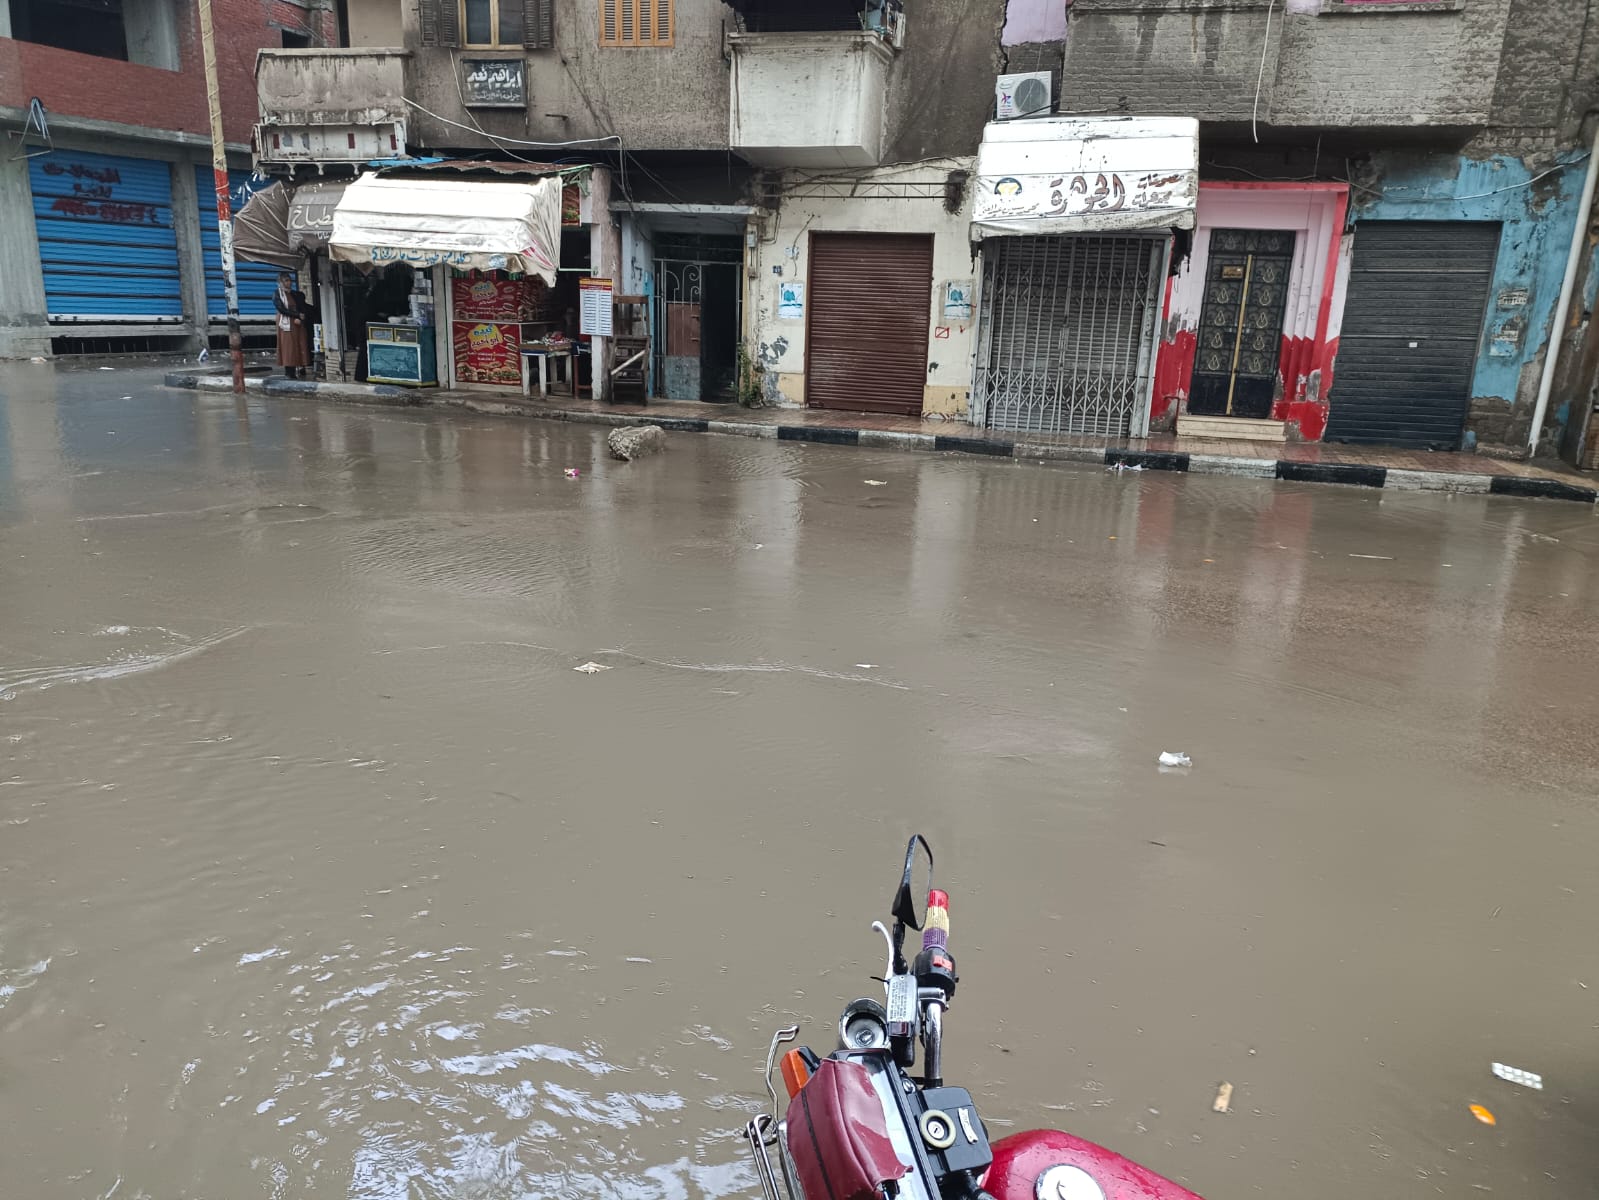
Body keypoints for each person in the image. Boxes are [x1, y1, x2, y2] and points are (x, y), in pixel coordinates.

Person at [275, 273, 310, 379]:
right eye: (285, 280)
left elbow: (302, 306)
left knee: (300, 343)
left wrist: (300, 317)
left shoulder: (296, 294)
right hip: (286, 321)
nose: (288, 282)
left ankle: (301, 367)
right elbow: (281, 308)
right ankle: (289, 371)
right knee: (288, 346)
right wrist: (295, 315)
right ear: (280, 282)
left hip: (297, 322)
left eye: (289, 280)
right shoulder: (278, 294)